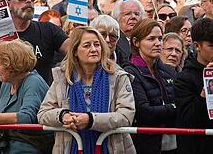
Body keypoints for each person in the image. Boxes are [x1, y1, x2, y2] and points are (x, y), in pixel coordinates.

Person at [37, 26, 135, 154]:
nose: (94, 49)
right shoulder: (62, 78)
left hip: (112, 148)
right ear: (75, 51)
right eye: (87, 46)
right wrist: (62, 116)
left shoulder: (118, 77)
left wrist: (91, 120)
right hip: (70, 147)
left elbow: (126, 116)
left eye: (97, 45)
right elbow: (43, 114)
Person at [0, 40, 53, 154]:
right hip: (7, 148)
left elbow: (27, 117)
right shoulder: (6, 84)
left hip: (31, 148)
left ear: (13, 64)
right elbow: (8, 113)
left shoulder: (33, 82)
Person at [123, 19, 177, 154]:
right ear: (136, 42)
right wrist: (174, 107)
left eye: (160, 38)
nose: (158, 43)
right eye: (151, 39)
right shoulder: (130, 72)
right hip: (145, 144)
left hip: (172, 143)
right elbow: (144, 112)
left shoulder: (168, 70)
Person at [175, 18, 213, 153]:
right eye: (212, 46)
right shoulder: (184, 79)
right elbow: (187, 120)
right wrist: (204, 95)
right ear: (197, 46)